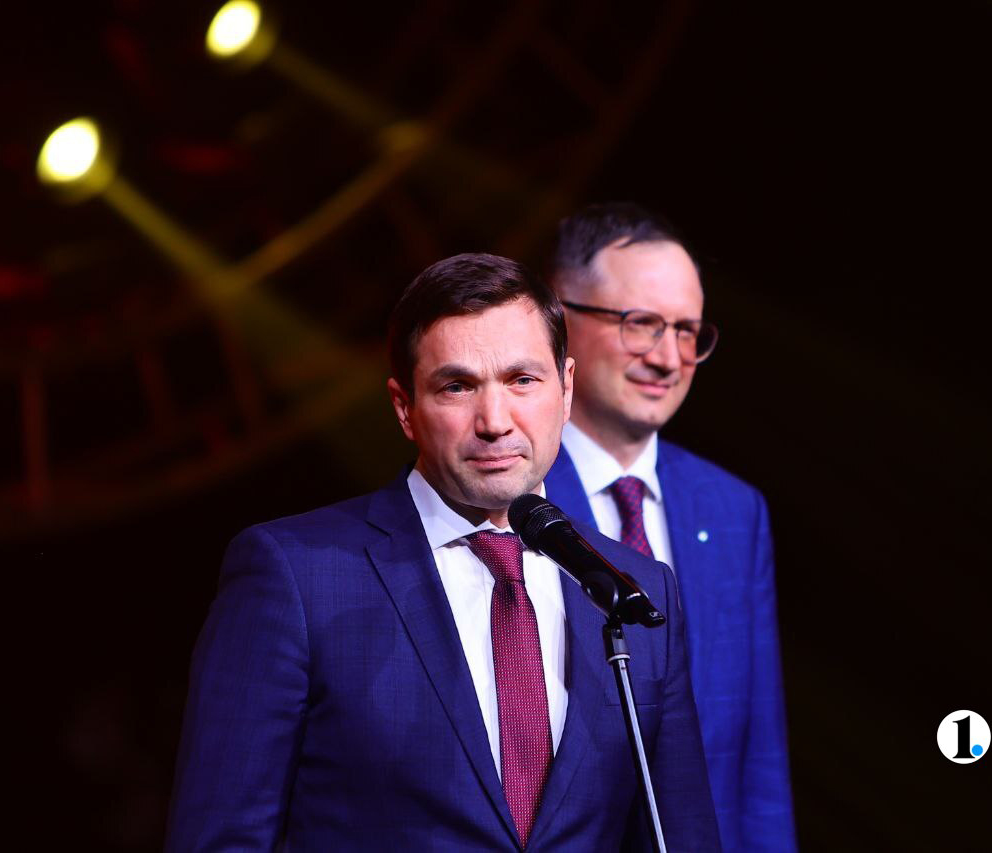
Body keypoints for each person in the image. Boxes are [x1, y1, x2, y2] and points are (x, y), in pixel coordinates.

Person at [166, 253, 719, 850]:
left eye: (522, 380)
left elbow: (683, 836)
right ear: (405, 408)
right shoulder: (295, 575)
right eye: (457, 386)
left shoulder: (634, 589)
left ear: (566, 388)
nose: (495, 421)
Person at [544, 203, 796, 852]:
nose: (668, 357)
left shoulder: (733, 510)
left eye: (687, 331)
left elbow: (758, 759)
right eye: (641, 323)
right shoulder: (510, 499)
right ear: (559, 318)